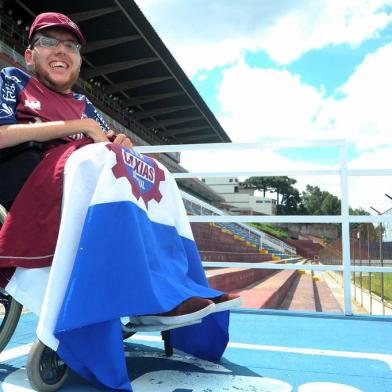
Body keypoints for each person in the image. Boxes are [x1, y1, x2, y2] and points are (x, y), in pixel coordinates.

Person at [0, 12, 240, 326]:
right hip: (31, 180)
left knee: (156, 176)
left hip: (83, 189)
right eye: (48, 42)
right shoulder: (13, 79)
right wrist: (80, 128)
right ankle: (149, 300)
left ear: (78, 62)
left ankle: (174, 289)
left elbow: (106, 145)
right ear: (30, 56)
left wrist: (122, 145)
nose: (61, 50)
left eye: (71, 46)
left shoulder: (83, 103)